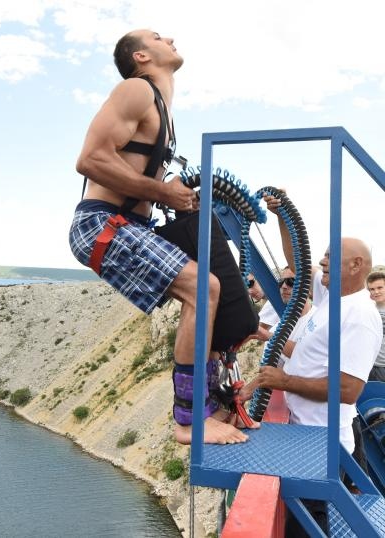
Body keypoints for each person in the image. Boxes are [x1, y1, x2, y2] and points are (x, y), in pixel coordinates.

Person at [69, 29, 255, 445]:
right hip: (101, 224)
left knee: (215, 296)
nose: (169, 37)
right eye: (157, 36)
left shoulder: (161, 109)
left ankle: (211, 406)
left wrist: (168, 188)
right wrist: (162, 191)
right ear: (141, 55)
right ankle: (189, 421)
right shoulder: (135, 89)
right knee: (202, 289)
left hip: (126, 224)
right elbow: (90, 159)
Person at [241, 197, 382, 536]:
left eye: (331, 256)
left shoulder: (359, 316)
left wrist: (285, 381)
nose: (323, 260)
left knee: (311, 525)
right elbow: (301, 265)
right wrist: (281, 218)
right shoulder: (334, 298)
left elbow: (349, 390)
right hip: (310, 434)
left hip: (324, 444)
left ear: (355, 265)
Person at [367, 271, 385, 381]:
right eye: (372, 289)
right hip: (370, 366)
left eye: (380, 288)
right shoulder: (369, 310)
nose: (376, 292)